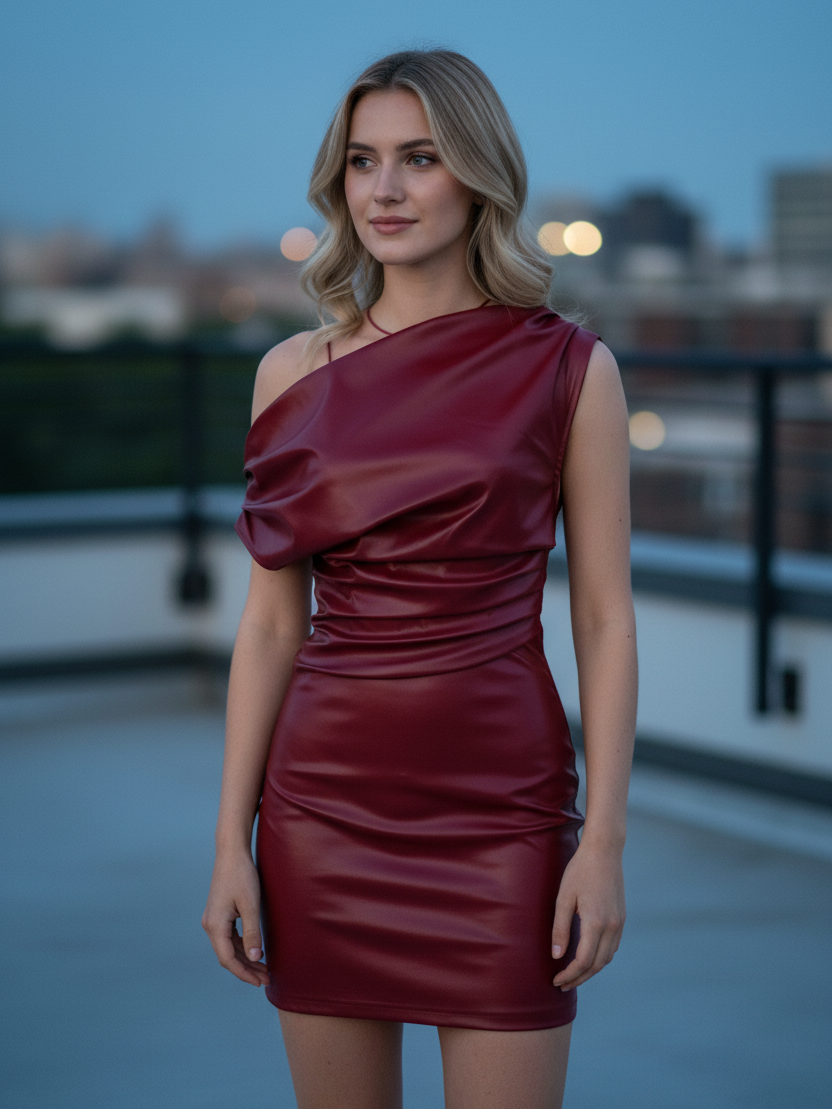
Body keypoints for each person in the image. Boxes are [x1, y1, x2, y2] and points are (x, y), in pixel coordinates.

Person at [202, 48, 637, 1109]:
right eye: (361, 161)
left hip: (504, 814)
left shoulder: (570, 367)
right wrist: (229, 840)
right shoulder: (290, 374)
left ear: (477, 173)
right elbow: (269, 627)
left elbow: (603, 617)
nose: (384, 189)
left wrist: (605, 844)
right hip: (321, 810)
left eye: (420, 158)